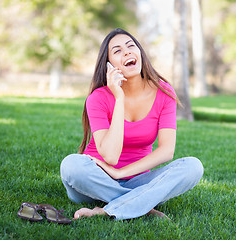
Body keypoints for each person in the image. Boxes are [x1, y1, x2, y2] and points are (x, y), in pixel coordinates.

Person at [60, 28, 204, 221]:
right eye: (117, 50)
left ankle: (109, 209)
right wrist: (119, 98)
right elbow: (110, 157)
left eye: (130, 46)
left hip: (139, 180)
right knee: (71, 165)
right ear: (108, 65)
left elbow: (166, 152)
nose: (127, 52)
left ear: (140, 54)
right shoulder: (98, 98)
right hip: (96, 180)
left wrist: (121, 173)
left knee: (193, 167)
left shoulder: (164, 92)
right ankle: (142, 205)